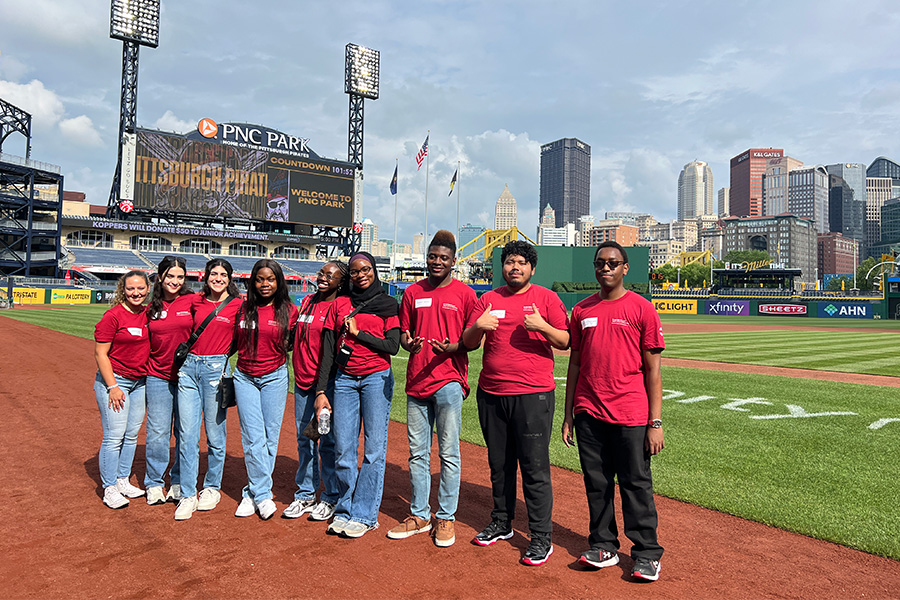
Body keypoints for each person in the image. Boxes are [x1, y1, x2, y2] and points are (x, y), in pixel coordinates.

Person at [562, 241, 665, 582]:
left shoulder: (642, 309)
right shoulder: (581, 311)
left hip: (632, 414)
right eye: (600, 263)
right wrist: (568, 414)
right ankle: (603, 544)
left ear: (625, 268)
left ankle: (647, 553)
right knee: (597, 484)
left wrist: (656, 422)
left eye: (612, 263)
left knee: (636, 484)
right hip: (589, 411)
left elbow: (653, 371)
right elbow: (575, 363)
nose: (605, 269)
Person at [462, 240, 569, 566]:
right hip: (492, 394)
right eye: (510, 262)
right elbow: (467, 344)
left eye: (521, 262)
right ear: (503, 267)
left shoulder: (546, 299)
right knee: (500, 465)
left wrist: (542, 327)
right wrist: (478, 327)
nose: (515, 267)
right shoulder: (488, 299)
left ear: (532, 268)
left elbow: (566, 341)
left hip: (533, 395)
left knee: (535, 469)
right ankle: (501, 522)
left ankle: (540, 537)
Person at [387, 231, 476, 547]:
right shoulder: (412, 292)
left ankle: (446, 518)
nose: (437, 262)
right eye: (432, 256)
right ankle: (420, 514)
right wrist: (407, 342)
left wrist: (455, 346)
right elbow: (403, 333)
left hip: (450, 381)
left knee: (449, 453)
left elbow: (474, 340)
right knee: (417, 454)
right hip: (417, 381)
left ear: (453, 261)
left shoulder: (465, 294)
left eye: (443, 258)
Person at [314, 251, 400, 538]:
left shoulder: (388, 303)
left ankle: (364, 514)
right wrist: (322, 390)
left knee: (374, 450)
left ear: (374, 270)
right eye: (354, 271)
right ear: (348, 276)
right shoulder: (340, 304)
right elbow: (328, 348)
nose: (361, 274)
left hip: (376, 378)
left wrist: (359, 333)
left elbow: (392, 346)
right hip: (345, 380)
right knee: (343, 448)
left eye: (366, 269)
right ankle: (344, 509)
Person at [174, 258, 242, 521]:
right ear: (206, 276)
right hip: (189, 368)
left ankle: (212, 487)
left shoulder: (237, 305)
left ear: (230, 278)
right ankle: (188, 493)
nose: (218, 278)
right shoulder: (195, 301)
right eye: (214, 273)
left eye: (223, 274)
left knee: (215, 434)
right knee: (187, 433)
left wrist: (222, 358)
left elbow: (239, 338)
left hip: (216, 369)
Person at [233, 259, 299, 520]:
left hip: (275, 377)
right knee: (252, 436)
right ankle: (262, 494)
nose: (264, 284)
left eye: (270, 279)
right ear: (253, 281)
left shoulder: (289, 311)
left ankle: (252, 492)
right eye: (260, 279)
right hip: (245, 377)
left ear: (278, 281)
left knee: (270, 437)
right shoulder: (242, 308)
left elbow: (293, 343)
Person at [283, 260, 349, 521]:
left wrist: (324, 387)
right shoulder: (308, 301)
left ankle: (331, 496)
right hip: (302, 381)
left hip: (327, 384)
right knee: (304, 439)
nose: (323, 278)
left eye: (330, 275)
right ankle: (305, 494)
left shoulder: (340, 306)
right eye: (321, 273)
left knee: (327, 442)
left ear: (340, 282)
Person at [93, 270, 151, 509]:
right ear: (122, 290)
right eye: (130, 289)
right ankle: (109, 488)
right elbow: (100, 353)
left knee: (131, 435)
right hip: (116, 381)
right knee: (114, 436)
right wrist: (113, 386)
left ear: (148, 289)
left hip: (141, 382)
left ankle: (122, 479)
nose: (135, 293)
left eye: (140, 288)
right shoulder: (113, 316)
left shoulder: (150, 314)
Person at [144, 256, 194, 506]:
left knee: (185, 433)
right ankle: (154, 482)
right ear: (161, 276)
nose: (175, 281)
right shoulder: (150, 306)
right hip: (158, 376)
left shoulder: (192, 301)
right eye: (170, 276)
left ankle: (177, 481)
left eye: (180, 277)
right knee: (158, 432)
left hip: (188, 378)